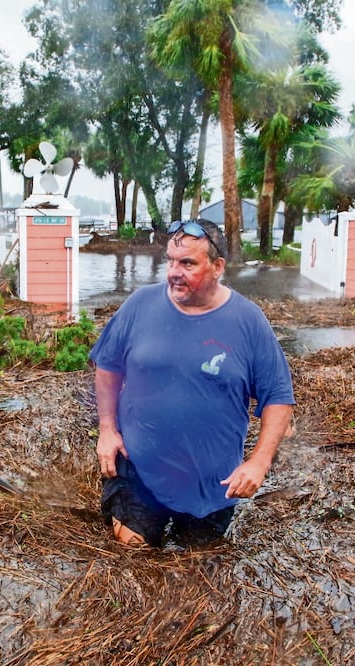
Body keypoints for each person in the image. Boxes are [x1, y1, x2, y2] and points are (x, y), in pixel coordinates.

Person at [89, 218, 295, 548]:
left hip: (212, 483)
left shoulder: (248, 321)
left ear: (217, 267)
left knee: (198, 560)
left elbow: (278, 397)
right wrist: (107, 429)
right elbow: (108, 367)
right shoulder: (139, 306)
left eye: (187, 263)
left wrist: (258, 462)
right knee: (132, 548)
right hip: (141, 469)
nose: (174, 271)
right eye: (170, 260)